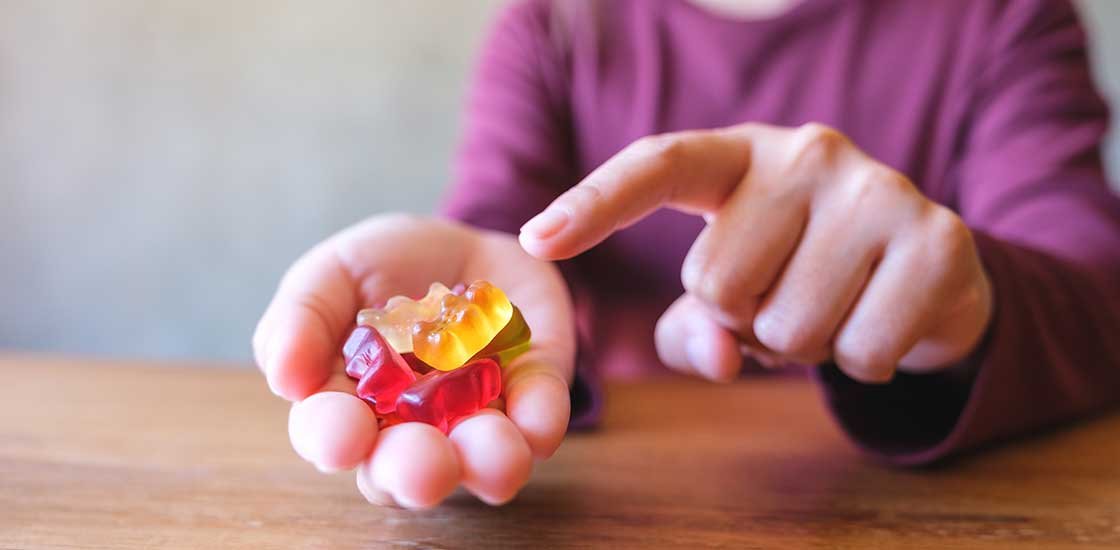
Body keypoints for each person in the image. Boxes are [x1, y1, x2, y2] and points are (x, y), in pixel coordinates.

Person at [253, 0, 1120, 508]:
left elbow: (1096, 292)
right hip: (612, 491)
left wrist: (967, 308)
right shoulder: (556, 21)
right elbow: (496, 229)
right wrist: (471, 268)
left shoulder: (1005, 18)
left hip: (902, 500)